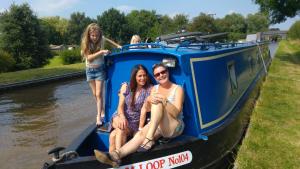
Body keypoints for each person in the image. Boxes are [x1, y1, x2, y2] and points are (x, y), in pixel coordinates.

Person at [94, 63, 185, 167]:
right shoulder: (154, 89)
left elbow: (176, 113)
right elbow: (147, 109)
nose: (161, 75)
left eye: (163, 72)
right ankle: (116, 155)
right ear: (155, 77)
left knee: (158, 103)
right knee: (139, 135)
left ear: (167, 72)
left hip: (175, 125)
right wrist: (148, 102)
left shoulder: (177, 89)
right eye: (157, 74)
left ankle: (149, 139)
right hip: (158, 126)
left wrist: (165, 101)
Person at [108, 64, 153, 153]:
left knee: (113, 135)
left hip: (135, 121)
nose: (143, 78)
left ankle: (114, 158)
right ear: (134, 77)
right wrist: (122, 117)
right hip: (120, 115)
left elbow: (147, 108)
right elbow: (120, 107)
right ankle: (118, 155)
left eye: (144, 75)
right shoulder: (126, 86)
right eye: (140, 76)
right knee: (121, 127)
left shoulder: (150, 89)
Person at [81, 23, 110, 127]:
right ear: (89, 35)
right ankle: (101, 111)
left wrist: (116, 47)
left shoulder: (101, 40)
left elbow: (109, 41)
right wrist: (101, 51)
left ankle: (98, 116)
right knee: (95, 94)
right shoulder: (86, 43)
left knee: (98, 94)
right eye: (93, 35)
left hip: (99, 70)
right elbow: (89, 58)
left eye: (97, 35)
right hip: (89, 70)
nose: (95, 38)